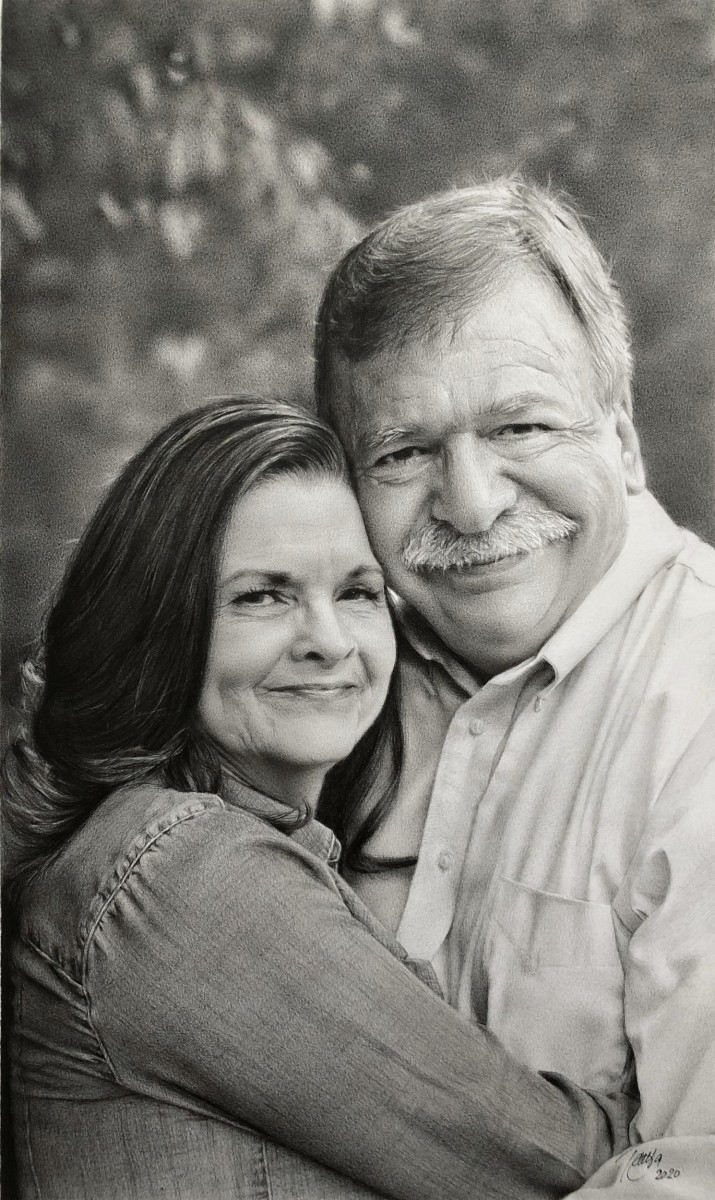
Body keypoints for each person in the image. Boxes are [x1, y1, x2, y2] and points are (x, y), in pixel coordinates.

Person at [4, 396, 631, 1200]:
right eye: (261, 596)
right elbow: (557, 1165)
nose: (328, 642)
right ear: (156, 625)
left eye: (358, 593)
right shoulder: (187, 875)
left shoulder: (214, 851)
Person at [314, 178, 715, 1196]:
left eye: (519, 428)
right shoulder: (325, 684)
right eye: (404, 451)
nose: (470, 502)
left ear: (621, 435)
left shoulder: (699, 702)